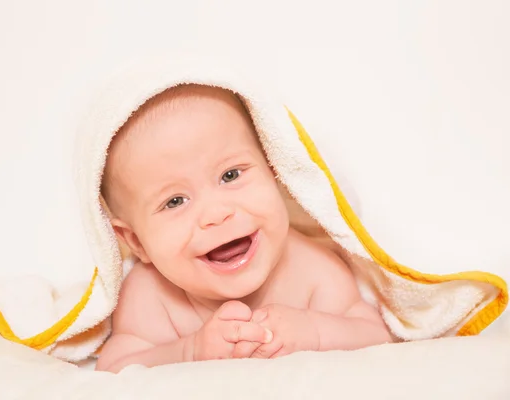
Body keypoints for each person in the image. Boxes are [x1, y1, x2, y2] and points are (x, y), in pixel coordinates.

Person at [95, 84, 392, 373]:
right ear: (136, 242)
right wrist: (189, 351)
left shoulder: (312, 269)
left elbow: (376, 336)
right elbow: (113, 369)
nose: (216, 213)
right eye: (174, 201)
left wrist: (314, 331)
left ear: (274, 170)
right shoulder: (150, 295)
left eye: (230, 175)